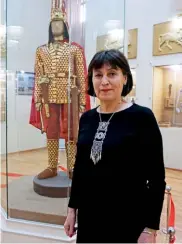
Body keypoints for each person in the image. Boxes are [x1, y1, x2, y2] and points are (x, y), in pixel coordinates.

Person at [64, 49, 166, 243]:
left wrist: (151, 228)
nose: (104, 81)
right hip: (90, 217)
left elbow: (156, 178)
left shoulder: (142, 118)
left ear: (125, 78)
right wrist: (72, 210)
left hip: (128, 218)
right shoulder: (87, 119)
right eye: (98, 75)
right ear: (91, 80)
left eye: (112, 74)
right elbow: (81, 170)